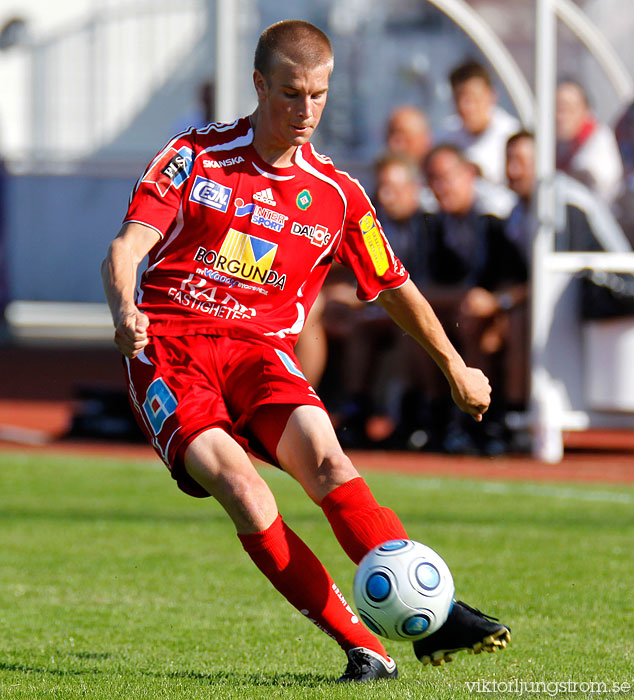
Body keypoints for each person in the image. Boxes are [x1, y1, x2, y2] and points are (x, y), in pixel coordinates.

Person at [101, 20, 510, 683]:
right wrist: (125, 310)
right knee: (242, 486)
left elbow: (394, 285)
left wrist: (455, 364)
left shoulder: (338, 196)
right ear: (260, 85)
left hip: (260, 354)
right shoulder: (195, 158)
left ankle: (431, 616)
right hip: (170, 351)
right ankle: (365, 647)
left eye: (319, 95)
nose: (306, 111)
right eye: (291, 94)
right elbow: (126, 248)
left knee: (327, 459)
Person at [414, 144, 528, 453]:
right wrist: (466, 296)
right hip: (470, 306)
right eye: (432, 179)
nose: (440, 187)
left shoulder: (498, 216)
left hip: (514, 308)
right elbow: (422, 286)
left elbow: (524, 280)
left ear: (469, 174)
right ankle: (436, 417)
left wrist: (493, 301)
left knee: (475, 321)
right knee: (415, 324)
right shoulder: (436, 222)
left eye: (446, 177)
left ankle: (486, 421)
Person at [438, 59, 520, 187]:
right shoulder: (445, 135)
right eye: (459, 98)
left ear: (492, 96)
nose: (466, 107)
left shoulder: (512, 135)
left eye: (473, 99)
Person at [555, 79, 623, 204]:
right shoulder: (561, 144)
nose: (560, 117)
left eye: (567, 109)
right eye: (556, 109)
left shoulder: (598, 141)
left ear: (585, 110)